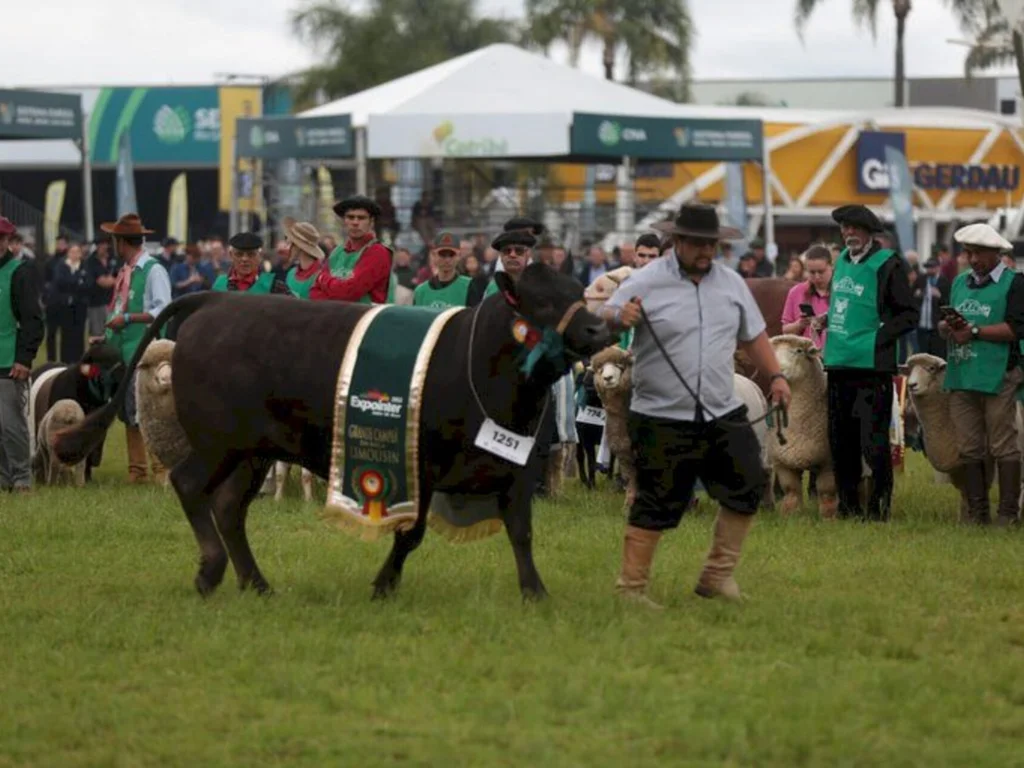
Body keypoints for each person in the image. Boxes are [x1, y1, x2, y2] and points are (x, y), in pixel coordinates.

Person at [602, 203, 792, 608]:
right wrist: (622, 314)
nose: (707, 252)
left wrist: (776, 376)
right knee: (657, 500)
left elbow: (754, 335)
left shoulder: (731, 283)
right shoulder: (647, 280)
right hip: (660, 413)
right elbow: (607, 315)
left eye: (713, 244)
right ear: (677, 241)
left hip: (721, 409)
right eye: (699, 244)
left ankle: (717, 576)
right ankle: (631, 589)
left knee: (748, 483)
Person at [822, 205, 918, 522]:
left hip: (871, 368)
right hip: (838, 364)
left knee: (872, 443)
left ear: (869, 232)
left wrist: (877, 339)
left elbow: (908, 315)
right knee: (841, 443)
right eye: (844, 228)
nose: (848, 233)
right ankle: (849, 507)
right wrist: (825, 319)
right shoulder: (842, 263)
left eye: (854, 228)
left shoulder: (888, 264)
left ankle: (878, 510)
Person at [940, 223, 1024, 526]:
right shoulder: (960, 282)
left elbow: (1016, 329)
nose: (973, 259)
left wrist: (973, 331)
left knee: (1003, 444)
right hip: (963, 373)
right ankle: (977, 514)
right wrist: (948, 328)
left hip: (999, 374)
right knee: (968, 446)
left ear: (997, 253)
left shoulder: (1015, 283)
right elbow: (957, 324)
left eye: (979, 253)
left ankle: (1007, 515)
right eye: (968, 252)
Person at [99, 213, 173, 484]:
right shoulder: (127, 271)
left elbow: (162, 309)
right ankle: (137, 470)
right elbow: (119, 307)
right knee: (130, 411)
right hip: (124, 350)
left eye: (115, 240)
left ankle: (159, 470)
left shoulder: (154, 270)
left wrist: (127, 319)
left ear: (121, 241)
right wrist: (106, 334)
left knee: (147, 413)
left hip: (145, 351)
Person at [0, 216, 44, 494]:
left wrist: (24, 358)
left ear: (6, 242)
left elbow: (32, 320)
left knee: (11, 424)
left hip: (8, 359)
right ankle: (3, 476)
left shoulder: (19, 273)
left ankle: (21, 477)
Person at [310, 195, 396, 304]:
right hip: (335, 318)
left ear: (371, 222)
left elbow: (349, 292)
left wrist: (322, 279)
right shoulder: (337, 252)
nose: (355, 222)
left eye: (361, 218)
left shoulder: (378, 252)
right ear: (344, 221)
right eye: (350, 217)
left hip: (365, 319)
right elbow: (314, 293)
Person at [781, 245, 833, 349]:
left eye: (821, 271)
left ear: (831, 267)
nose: (817, 277)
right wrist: (799, 324)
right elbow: (785, 330)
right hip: (806, 355)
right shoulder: (796, 292)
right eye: (812, 272)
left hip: (835, 354)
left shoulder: (842, 291)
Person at [212, 233, 292, 294]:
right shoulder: (219, 285)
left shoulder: (274, 286)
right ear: (231, 255)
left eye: (251, 254)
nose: (244, 259)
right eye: (239, 254)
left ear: (260, 256)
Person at [51, 242, 90, 363]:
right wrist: (77, 280)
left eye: (77, 252)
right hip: (64, 306)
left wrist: (76, 282)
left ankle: (79, 360)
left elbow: (87, 284)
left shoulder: (84, 266)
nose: (74, 254)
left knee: (78, 334)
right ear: (68, 253)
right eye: (72, 252)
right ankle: (65, 361)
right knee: (66, 335)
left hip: (80, 306)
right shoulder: (61, 266)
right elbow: (59, 282)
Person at [413, 231, 471, 309]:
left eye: (452, 254)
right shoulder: (421, 292)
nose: (447, 260)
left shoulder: (470, 286)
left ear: (459, 256)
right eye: (442, 254)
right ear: (434, 255)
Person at [913, 255, 950, 359]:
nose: (929, 270)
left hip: (936, 324)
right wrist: (917, 294)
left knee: (937, 354)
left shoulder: (944, 282)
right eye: (927, 267)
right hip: (922, 323)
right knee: (923, 354)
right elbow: (912, 295)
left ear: (938, 267)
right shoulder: (921, 279)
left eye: (932, 267)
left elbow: (949, 303)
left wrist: (940, 296)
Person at [281, 218, 326, 300]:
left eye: (291, 243)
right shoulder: (291, 274)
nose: (288, 248)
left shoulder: (322, 277)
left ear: (299, 246)